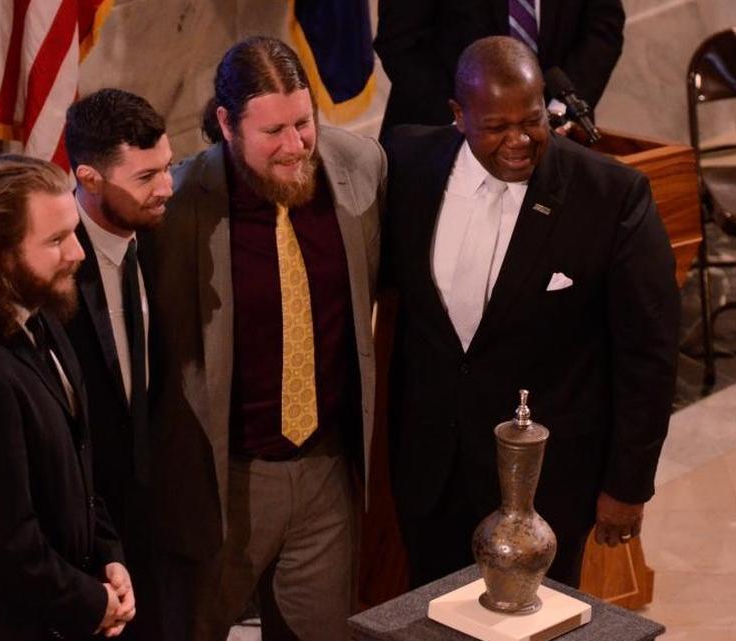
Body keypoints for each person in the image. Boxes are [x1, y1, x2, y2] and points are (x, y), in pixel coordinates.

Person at [380, 36, 679, 590]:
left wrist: (628, 485)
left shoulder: (611, 196)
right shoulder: (407, 163)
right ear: (458, 116)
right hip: (431, 472)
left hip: (548, 486)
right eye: (496, 126)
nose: (519, 140)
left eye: (532, 119)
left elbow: (650, 353)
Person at [0, 89, 174, 640]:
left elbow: (75, 455)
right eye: (57, 240)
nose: (76, 252)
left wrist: (107, 556)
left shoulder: (37, 310)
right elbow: (1, 545)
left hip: (100, 562)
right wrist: (92, 602)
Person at [145, 36, 384, 641]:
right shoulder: (175, 207)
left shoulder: (360, 169)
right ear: (226, 123)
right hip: (220, 483)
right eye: (273, 131)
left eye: (304, 123)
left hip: (326, 475)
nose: (296, 145)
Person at [374, 0, 624, 135]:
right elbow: (402, 44)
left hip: (557, 144)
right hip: (440, 145)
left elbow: (602, 27)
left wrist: (559, 113)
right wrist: (467, 123)